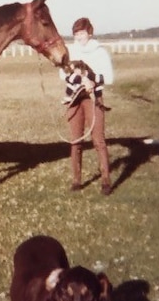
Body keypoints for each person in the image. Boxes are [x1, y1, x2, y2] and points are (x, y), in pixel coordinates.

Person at [59, 18, 114, 195]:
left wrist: (92, 80)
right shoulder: (70, 51)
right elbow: (63, 73)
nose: (79, 37)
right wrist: (80, 79)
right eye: (76, 34)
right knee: (76, 141)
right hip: (74, 99)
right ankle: (76, 180)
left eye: (82, 33)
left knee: (98, 140)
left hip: (93, 99)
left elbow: (109, 77)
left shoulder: (100, 52)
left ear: (89, 33)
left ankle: (105, 180)